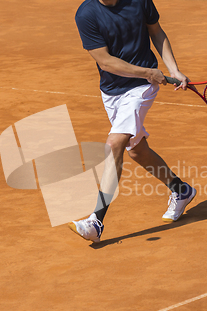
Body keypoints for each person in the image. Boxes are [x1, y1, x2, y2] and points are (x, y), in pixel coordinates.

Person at [69, 0, 196, 243]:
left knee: (114, 143)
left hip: (141, 88)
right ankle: (181, 190)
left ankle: (96, 221)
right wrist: (148, 72)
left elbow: (156, 31)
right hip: (112, 89)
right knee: (137, 151)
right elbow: (105, 62)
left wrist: (174, 69)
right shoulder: (86, 14)